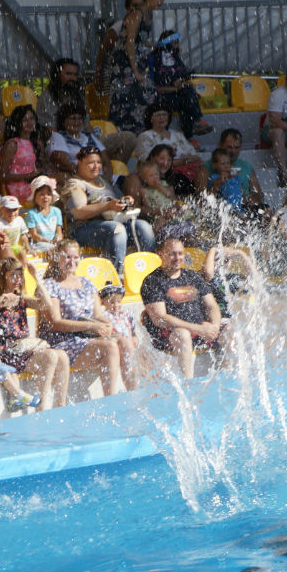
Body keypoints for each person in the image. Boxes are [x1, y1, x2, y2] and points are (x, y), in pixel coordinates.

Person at [0, 254, 70, 411]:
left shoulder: (21, 298)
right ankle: (41, 406)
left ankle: (60, 405)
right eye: (13, 275)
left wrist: (36, 277)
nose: (17, 279)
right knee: (51, 355)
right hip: (4, 353)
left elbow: (47, 305)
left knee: (61, 355)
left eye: (20, 275)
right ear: (3, 277)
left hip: (22, 351)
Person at [40, 240, 127, 395]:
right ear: (57, 257)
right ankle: (111, 398)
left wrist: (106, 324)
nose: (71, 262)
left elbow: (98, 315)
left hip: (87, 337)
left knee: (126, 342)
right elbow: (56, 323)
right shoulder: (49, 286)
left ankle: (134, 392)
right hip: (64, 341)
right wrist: (91, 326)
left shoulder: (86, 283)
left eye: (75, 257)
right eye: (67, 257)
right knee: (110, 347)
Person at [141, 237, 232, 379]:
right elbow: (160, 318)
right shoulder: (152, 281)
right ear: (161, 254)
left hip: (200, 331)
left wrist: (214, 326)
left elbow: (212, 305)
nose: (177, 258)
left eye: (180, 253)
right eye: (172, 254)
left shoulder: (192, 276)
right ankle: (188, 383)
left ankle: (230, 376)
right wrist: (198, 329)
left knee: (232, 329)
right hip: (170, 335)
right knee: (182, 335)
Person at [63, 146, 155, 272]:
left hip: (112, 224)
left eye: (99, 162)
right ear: (80, 163)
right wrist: (107, 206)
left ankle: (151, 271)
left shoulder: (104, 181)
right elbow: (79, 212)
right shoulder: (75, 184)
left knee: (144, 227)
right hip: (83, 230)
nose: (96, 166)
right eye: (90, 163)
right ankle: (117, 276)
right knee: (117, 229)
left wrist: (126, 201)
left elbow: (117, 201)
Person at [36, 58, 136, 164]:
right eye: (68, 74)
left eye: (75, 75)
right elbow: (52, 132)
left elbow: (87, 126)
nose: (72, 78)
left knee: (128, 138)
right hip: (64, 144)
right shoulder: (47, 98)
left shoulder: (78, 95)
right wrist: (77, 144)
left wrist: (96, 145)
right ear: (57, 75)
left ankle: (113, 173)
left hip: (86, 140)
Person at [95, 0, 156, 133]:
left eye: (141, 5)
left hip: (136, 72)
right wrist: (99, 72)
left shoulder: (143, 22)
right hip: (122, 72)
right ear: (127, 7)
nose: (138, 8)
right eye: (135, 5)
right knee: (123, 104)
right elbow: (104, 50)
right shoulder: (120, 25)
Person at [147, 30, 212, 138]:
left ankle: (190, 131)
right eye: (175, 43)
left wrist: (180, 82)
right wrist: (175, 88)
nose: (177, 46)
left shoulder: (175, 58)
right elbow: (157, 87)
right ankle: (191, 130)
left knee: (187, 95)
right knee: (186, 101)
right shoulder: (155, 60)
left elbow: (181, 76)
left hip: (176, 94)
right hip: (162, 97)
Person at [132, 103, 207, 191]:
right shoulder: (145, 136)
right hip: (164, 171)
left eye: (164, 114)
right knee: (179, 178)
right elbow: (148, 161)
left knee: (202, 170)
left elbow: (195, 154)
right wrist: (180, 161)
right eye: (158, 115)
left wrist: (190, 159)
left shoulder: (178, 134)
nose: (162, 118)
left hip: (188, 167)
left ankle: (201, 199)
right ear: (150, 118)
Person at [205, 129, 265, 213]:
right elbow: (204, 199)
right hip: (223, 209)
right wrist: (217, 183)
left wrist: (252, 199)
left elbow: (259, 194)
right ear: (220, 145)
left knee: (266, 210)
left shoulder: (246, 166)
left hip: (244, 207)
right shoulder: (206, 168)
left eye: (237, 147)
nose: (233, 151)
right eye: (229, 147)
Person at [47, 101, 110, 180]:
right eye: (73, 118)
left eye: (79, 118)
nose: (77, 122)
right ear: (63, 121)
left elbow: (106, 162)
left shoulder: (89, 136)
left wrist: (108, 180)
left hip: (100, 178)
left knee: (129, 178)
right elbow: (63, 163)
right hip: (78, 178)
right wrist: (88, 174)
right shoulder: (58, 136)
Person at [0, 104, 44, 203]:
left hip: (33, 183)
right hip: (18, 188)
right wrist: (27, 176)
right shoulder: (13, 144)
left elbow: (41, 166)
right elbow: (2, 176)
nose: (29, 122)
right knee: (49, 193)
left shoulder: (38, 143)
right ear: (18, 123)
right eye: (25, 120)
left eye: (31, 119)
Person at [22, 175, 64, 255]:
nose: (45, 197)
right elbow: (34, 235)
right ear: (35, 197)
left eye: (48, 194)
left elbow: (59, 232)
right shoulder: (32, 214)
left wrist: (57, 239)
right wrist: (47, 241)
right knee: (51, 249)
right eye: (41, 194)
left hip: (54, 243)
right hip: (39, 244)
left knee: (66, 247)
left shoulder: (56, 211)